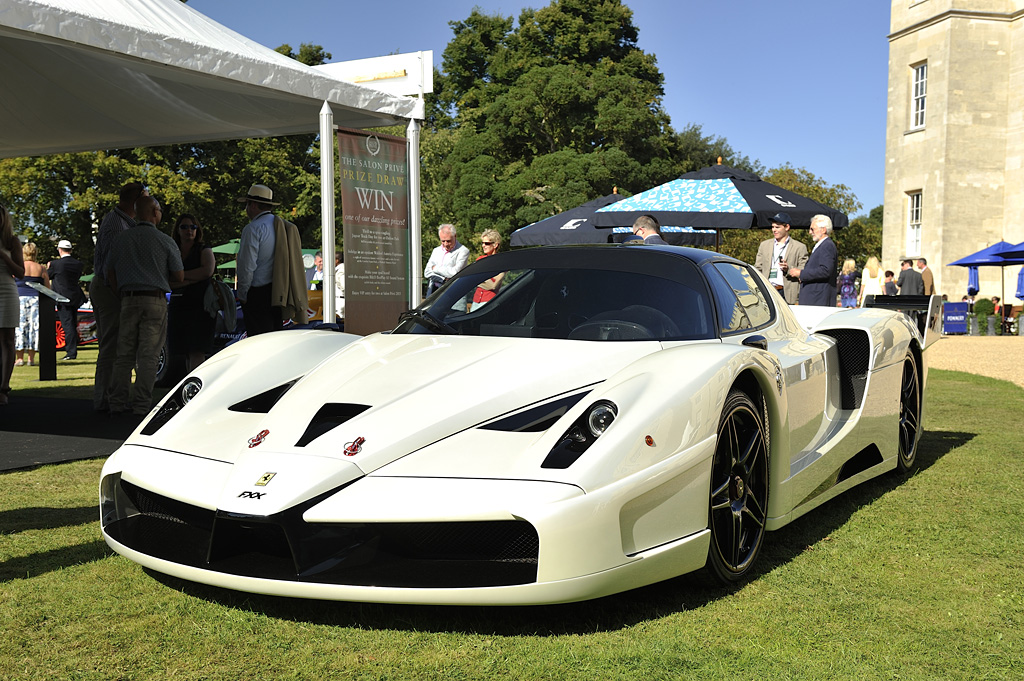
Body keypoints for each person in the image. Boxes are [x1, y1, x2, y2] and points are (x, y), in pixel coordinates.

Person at [106, 195, 183, 417]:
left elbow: (110, 272)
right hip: (155, 299)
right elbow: (179, 274)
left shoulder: (120, 240)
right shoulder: (165, 240)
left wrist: (119, 291)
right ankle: (141, 405)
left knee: (124, 354)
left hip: (128, 299)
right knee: (149, 355)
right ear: (154, 213)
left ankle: (117, 402)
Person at [92, 181, 147, 412]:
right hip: (109, 288)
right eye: (145, 198)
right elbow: (111, 267)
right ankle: (105, 398)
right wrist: (121, 294)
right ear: (136, 200)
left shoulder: (120, 221)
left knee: (114, 345)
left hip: (109, 287)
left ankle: (109, 397)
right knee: (111, 345)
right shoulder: (117, 225)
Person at [168, 214, 215, 373]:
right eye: (184, 227)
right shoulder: (172, 249)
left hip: (200, 307)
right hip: (178, 306)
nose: (189, 230)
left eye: (193, 227)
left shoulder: (204, 249)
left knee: (197, 349)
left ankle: (196, 388)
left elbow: (207, 271)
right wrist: (190, 277)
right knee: (183, 351)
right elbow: (168, 279)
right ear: (178, 230)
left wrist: (182, 277)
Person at [236, 184, 282, 335]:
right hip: (278, 290)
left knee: (258, 339)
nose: (246, 209)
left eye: (247, 204)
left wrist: (242, 294)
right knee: (275, 338)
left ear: (253, 204)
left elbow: (246, 266)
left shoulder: (253, 228)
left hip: (257, 293)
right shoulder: (281, 226)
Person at [0, 204, 26, 406]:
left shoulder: (12, 241)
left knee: (8, 340)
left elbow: (21, 272)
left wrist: (2, 256)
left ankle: (4, 387)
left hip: (7, 292)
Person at [783, 214, 837, 307]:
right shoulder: (822, 245)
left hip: (818, 299)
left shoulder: (827, 245)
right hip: (815, 298)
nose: (809, 232)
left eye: (812, 229)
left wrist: (801, 273)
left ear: (823, 229)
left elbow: (825, 271)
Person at [753, 212, 807, 304]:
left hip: (786, 293)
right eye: (773, 227)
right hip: (767, 291)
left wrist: (788, 269)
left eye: (777, 227)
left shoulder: (799, 247)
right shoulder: (764, 245)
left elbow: (804, 270)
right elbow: (758, 267)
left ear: (787, 227)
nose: (774, 230)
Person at [48, 238, 85, 360]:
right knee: (72, 324)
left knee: (67, 325)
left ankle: (71, 352)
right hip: (75, 297)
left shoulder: (55, 264)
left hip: (62, 297)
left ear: (59, 250)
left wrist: (49, 267)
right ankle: (72, 350)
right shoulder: (78, 264)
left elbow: (48, 276)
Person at [15, 242, 49, 367]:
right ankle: (31, 358)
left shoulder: (18, 266)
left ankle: (19, 358)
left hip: (20, 299)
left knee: (19, 328)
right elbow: (47, 288)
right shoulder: (41, 268)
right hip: (36, 300)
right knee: (34, 328)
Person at [424, 223, 470, 294]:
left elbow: (454, 273)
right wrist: (444, 279)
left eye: (448, 241)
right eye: (443, 241)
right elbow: (427, 272)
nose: (445, 244)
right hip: (434, 291)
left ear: (455, 236)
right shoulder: (436, 251)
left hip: (453, 292)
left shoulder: (463, 251)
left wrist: (435, 268)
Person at [470, 229, 504, 310]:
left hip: (489, 301)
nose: (483, 245)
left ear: (495, 245)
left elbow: (493, 286)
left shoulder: (502, 262)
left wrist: (478, 279)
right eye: (482, 243)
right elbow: (471, 279)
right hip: (476, 300)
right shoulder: (480, 260)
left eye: (486, 243)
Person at [334, 251, 345, 320]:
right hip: (340, 299)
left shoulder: (341, 270)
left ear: (337, 260)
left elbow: (343, 285)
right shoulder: (340, 269)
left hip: (340, 300)